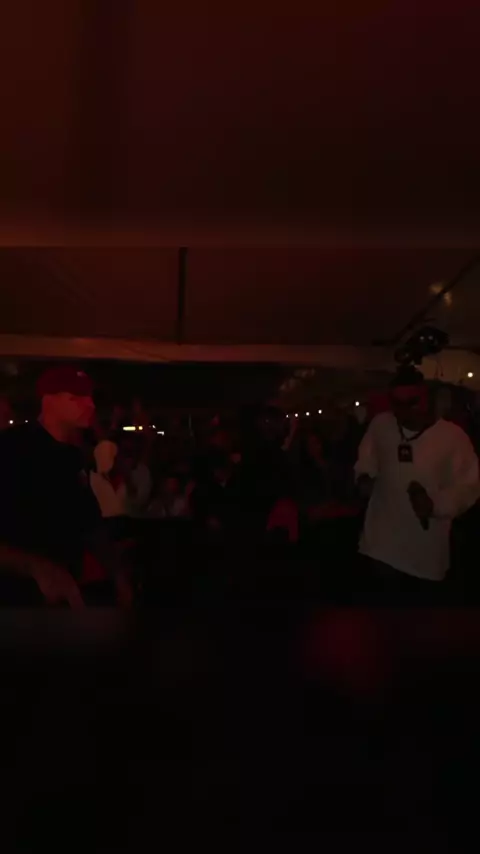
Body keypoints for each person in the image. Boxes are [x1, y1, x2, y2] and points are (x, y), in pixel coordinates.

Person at [355, 366, 480, 595]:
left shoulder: (452, 437)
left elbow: (469, 485)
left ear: (426, 398)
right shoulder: (381, 425)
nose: (403, 411)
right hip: (380, 546)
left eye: (411, 402)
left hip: (425, 552)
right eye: (396, 403)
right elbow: (366, 459)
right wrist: (364, 477)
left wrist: (435, 504)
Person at [0, 366, 100, 607]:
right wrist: (36, 566)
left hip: (62, 594)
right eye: (76, 397)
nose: (90, 404)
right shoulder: (11, 449)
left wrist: (115, 569)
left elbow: (87, 520)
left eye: (89, 397)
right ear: (49, 401)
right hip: (14, 598)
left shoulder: (72, 456)